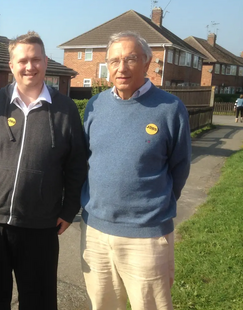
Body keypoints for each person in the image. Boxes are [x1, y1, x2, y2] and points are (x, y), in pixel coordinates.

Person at [0, 31, 88, 310]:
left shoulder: (65, 110)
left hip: (40, 227)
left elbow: (76, 164)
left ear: (46, 61)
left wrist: (68, 210)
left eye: (36, 59)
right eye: (23, 60)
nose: (30, 66)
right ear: (11, 65)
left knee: (38, 302)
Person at [80, 31, 192, 310]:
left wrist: (153, 205)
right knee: (102, 305)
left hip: (147, 235)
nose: (122, 67)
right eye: (114, 60)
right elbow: (88, 158)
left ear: (147, 62)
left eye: (130, 59)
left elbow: (180, 166)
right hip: (95, 231)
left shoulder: (170, 108)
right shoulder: (95, 106)